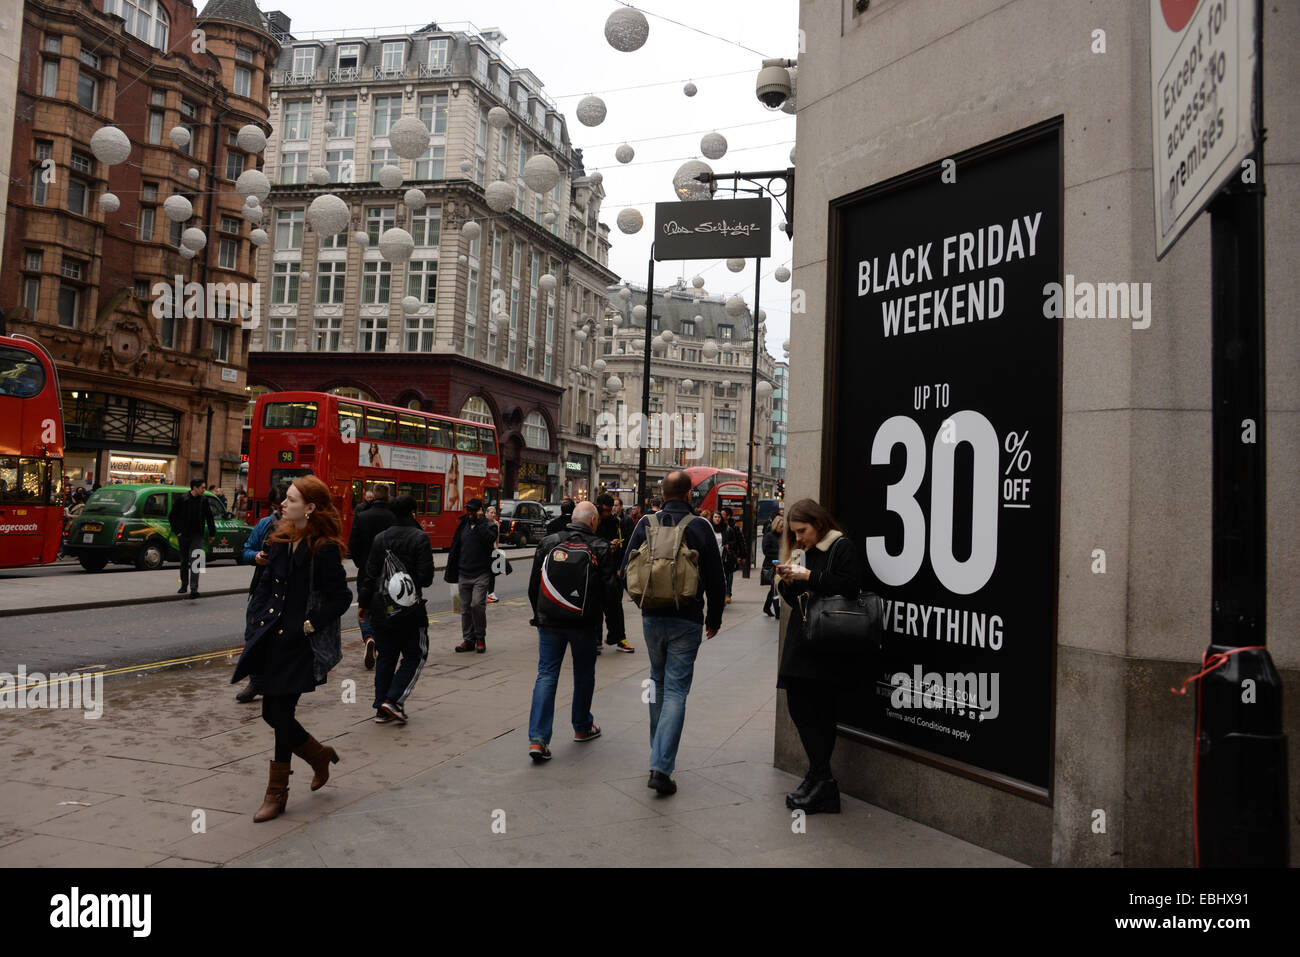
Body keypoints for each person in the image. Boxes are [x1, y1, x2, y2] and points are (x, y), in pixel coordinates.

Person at [231, 475, 352, 823]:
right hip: (272, 638)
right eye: (286, 499)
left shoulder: (324, 548)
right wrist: (257, 621)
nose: (283, 504)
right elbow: (267, 585)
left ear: (310, 508)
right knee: (276, 714)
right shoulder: (280, 539)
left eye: (292, 500)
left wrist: (311, 624)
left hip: (301, 643)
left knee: (277, 714)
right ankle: (318, 756)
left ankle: (277, 793)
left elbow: (342, 597)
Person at [620, 470, 726, 796]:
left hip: (652, 617)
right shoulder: (701, 526)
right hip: (687, 618)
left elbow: (626, 570)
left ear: (661, 492)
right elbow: (716, 577)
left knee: (657, 681)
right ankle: (662, 766)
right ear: (689, 494)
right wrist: (715, 618)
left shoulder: (644, 524)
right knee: (677, 691)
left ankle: (657, 751)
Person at [775, 498, 866, 815]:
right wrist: (788, 581)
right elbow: (793, 599)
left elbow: (851, 587)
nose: (798, 538)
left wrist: (808, 576)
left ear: (818, 523)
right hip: (802, 641)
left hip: (828, 645)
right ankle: (819, 778)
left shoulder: (841, 547)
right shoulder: (801, 550)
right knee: (799, 709)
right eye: (795, 533)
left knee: (820, 714)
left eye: (802, 531)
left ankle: (822, 782)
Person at [525, 501, 613, 761]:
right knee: (584, 673)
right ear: (594, 520)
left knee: (546, 674)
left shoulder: (549, 542)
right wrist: (614, 630)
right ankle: (582, 727)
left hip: (550, 621)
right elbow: (610, 593)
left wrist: (539, 614)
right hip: (583, 624)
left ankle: (538, 740)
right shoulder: (600, 546)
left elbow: (534, 585)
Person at [359, 494, 434, 725]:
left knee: (386, 658)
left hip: (380, 609)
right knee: (416, 654)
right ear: (413, 512)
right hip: (410, 610)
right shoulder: (420, 538)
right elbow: (426, 577)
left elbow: (369, 574)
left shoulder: (380, 538)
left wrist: (363, 605)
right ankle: (393, 700)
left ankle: (381, 709)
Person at [235, 486, 287, 703]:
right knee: (254, 634)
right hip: (263, 589)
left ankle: (278, 680)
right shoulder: (265, 524)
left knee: (281, 639)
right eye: (276, 507)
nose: (280, 510)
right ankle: (256, 681)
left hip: (287, 591)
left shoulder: (303, 528)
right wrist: (255, 556)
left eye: (283, 505)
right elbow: (245, 550)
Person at [348, 484, 395, 670]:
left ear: (372, 496)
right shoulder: (394, 517)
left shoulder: (362, 516)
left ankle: (368, 637)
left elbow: (353, 544)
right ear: (388, 496)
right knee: (386, 608)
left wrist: (362, 563)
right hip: (390, 572)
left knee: (364, 606)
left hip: (366, 571)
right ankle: (382, 644)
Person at [446, 497, 497, 653]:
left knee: (477, 605)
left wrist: (480, 522)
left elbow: (489, 540)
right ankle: (468, 640)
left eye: (473, 510)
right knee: (465, 608)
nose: (470, 513)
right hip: (463, 572)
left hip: (481, 573)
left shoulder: (489, 526)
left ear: (480, 511)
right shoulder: (463, 525)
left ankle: (480, 637)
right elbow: (456, 546)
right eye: (468, 510)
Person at [594, 493, 634, 653]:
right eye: (605, 510)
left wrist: (620, 567)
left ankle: (618, 638)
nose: (608, 513)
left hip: (611, 569)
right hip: (595, 570)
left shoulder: (615, 521)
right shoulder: (592, 520)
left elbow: (623, 545)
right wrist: (606, 546)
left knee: (615, 606)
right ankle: (596, 640)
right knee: (595, 607)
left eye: (610, 510)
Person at [169, 479, 216, 598]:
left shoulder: (204, 500)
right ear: (194, 488)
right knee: (184, 560)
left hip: (197, 535)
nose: (204, 490)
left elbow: (209, 517)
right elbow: (172, 516)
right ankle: (184, 585)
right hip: (184, 535)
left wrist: (212, 534)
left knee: (196, 561)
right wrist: (177, 532)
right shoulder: (183, 499)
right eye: (202, 488)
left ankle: (194, 588)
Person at [761, 515, 784, 618]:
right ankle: (777, 611)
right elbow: (766, 551)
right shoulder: (769, 536)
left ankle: (766, 607)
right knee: (775, 588)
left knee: (774, 588)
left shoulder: (783, 537)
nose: (782, 528)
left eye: (783, 526)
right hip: (771, 565)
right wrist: (780, 553)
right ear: (776, 525)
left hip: (781, 565)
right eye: (781, 526)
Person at [721, 507, 745, 602]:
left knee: (729, 574)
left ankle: (728, 593)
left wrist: (742, 556)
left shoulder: (734, 527)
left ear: (728, 516)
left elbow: (740, 541)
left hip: (731, 554)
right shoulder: (718, 526)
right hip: (721, 555)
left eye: (723, 514)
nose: (721, 516)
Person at [485, 504, 501, 603]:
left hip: (493, 551)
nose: (493, 514)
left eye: (494, 513)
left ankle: (491, 593)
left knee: (493, 573)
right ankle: (489, 593)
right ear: (486, 513)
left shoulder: (496, 524)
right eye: (491, 512)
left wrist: (497, 549)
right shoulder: (483, 524)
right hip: (485, 552)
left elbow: (497, 538)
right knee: (487, 573)